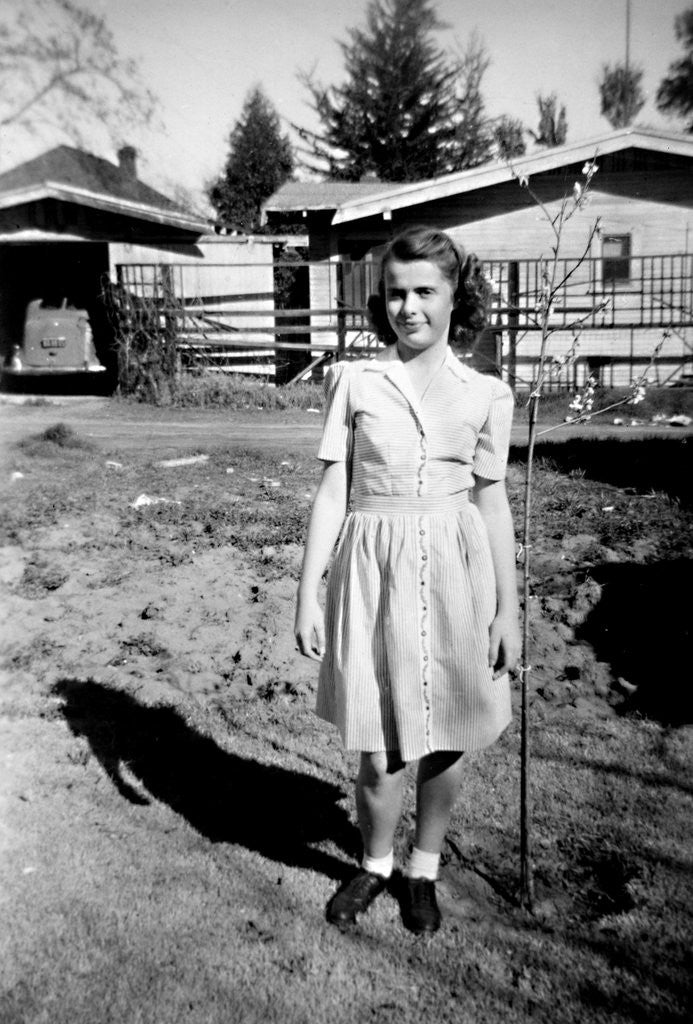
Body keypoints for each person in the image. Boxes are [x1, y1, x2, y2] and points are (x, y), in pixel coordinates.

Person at [294, 226, 520, 935]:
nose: (409, 307)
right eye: (395, 292)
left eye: (425, 290)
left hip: (458, 573)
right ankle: (374, 863)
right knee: (378, 744)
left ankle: (423, 868)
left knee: (446, 732)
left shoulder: (485, 393)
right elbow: (333, 491)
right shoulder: (355, 381)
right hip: (373, 574)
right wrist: (307, 591)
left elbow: (490, 501)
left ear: (456, 295)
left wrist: (506, 609)